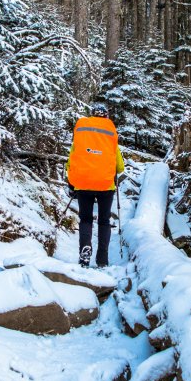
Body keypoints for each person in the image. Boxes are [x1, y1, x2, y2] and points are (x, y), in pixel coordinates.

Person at [65, 102, 125, 268]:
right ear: (106, 116)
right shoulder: (109, 137)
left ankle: (84, 252)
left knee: (85, 218)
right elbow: (120, 167)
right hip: (106, 186)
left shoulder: (82, 136)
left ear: (92, 115)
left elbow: (71, 161)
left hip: (83, 184)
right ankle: (102, 259)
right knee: (104, 221)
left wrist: (72, 182)